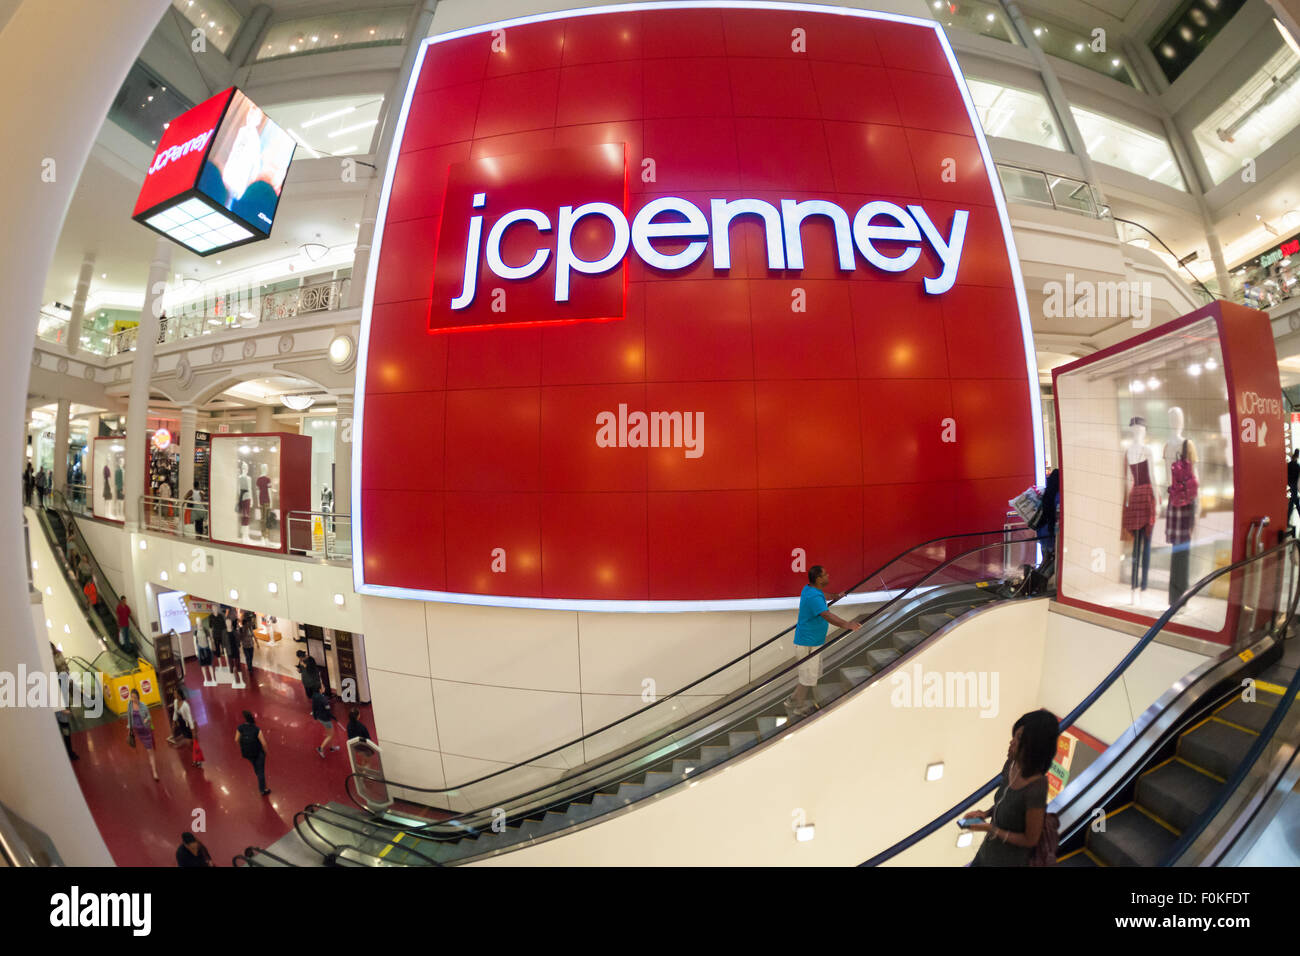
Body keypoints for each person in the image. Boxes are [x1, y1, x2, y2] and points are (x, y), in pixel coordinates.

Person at [963, 709, 1058, 866]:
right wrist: (985, 813)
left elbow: (1030, 839)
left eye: (1019, 738)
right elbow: (1006, 801)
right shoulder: (1011, 765)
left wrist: (991, 829)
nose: (1012, 742)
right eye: (1014, 735)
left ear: (1035, 746)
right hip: (986, 853)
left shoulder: (1037, 786)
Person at [784, 566, 862, 717]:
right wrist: (848, 625)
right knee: (808, 678)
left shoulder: (809, 589)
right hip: (808, 644)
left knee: (808, 675)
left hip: (812, 641)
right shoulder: (813, 596)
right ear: (819, 579)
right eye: (825, 574)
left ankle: (792, 699)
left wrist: (835, 597)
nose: (828, 575)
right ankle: (799, 707)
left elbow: (822, 595)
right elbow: (827, 615)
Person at [125, 688, 159, 781]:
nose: (133, 699)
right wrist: (130, 730)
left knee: (149, 751)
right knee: (146, 750)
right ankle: (153, 767)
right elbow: (129, 717)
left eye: (135, 697)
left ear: (138, 698)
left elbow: (149, 716)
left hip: (145, 731)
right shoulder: (129, 705)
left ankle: (154, 772)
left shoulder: (143, 706)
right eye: (131, 697)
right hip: (137, 731)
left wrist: (146, 719)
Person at [235, 710, 270, 795]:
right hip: (258, 752)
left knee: (256, 767)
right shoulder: (256, 729)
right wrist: (266, 752)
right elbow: (264, 743)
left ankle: (260, 779)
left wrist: (243, 746)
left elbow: (236, 739)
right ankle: (263, 789)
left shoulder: (240, 728)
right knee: (261, 771)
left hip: (247, 753)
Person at [167, 684, 195, 750]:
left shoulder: (185, 705)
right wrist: (173, 723)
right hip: (181, 724)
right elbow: (175, 713)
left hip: (187, 725)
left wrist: (193, 732)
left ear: (179, 695)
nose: (174, 695)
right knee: (188, 743)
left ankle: (195, 755)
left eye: (175, 694)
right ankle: (194, 754)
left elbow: (189, 719)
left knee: (189, 743)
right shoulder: (175, 702)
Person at [312, 689, 338, 757]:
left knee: (329, 733)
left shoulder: (315, 696)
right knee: (330, 735)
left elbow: (314, 708)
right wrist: (333, 717)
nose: (324, 687)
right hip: (326, 719)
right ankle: (320, 748)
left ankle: (332, 747)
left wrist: (315, 716)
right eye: (322, 686)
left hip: (320, 717)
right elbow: (328, 710)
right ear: (320, 689)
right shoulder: (323, 699)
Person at [1288, 450, 1299, 531]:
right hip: (1294, 485)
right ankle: (1287, 520)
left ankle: (1287, 520)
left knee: (1294, 501)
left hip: (1291, 485)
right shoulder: (1297, 465)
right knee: (1293, 502)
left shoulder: (1289, 465)